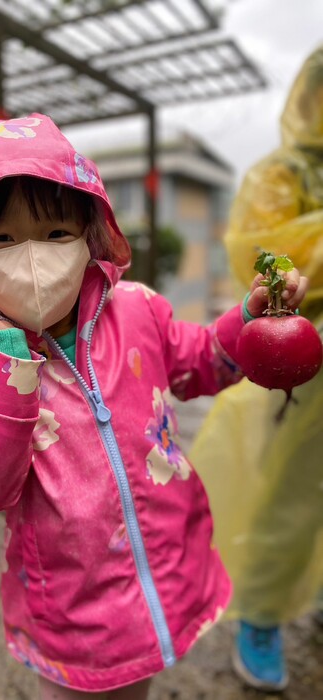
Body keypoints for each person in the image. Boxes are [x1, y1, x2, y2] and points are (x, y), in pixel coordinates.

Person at [0, 113, 307, 698]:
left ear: (89, 233)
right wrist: (1, 358)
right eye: (1, 239)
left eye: (55, 234)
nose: (32, 259)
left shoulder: (138, 311)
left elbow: (199, 361)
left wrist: (253, 324)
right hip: (74, 620)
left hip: (162, 580)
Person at [189, 45, 323, 692]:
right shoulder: (280, 174)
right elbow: (262, 256)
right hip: (305, 356)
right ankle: (263, 614)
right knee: (291, 492)